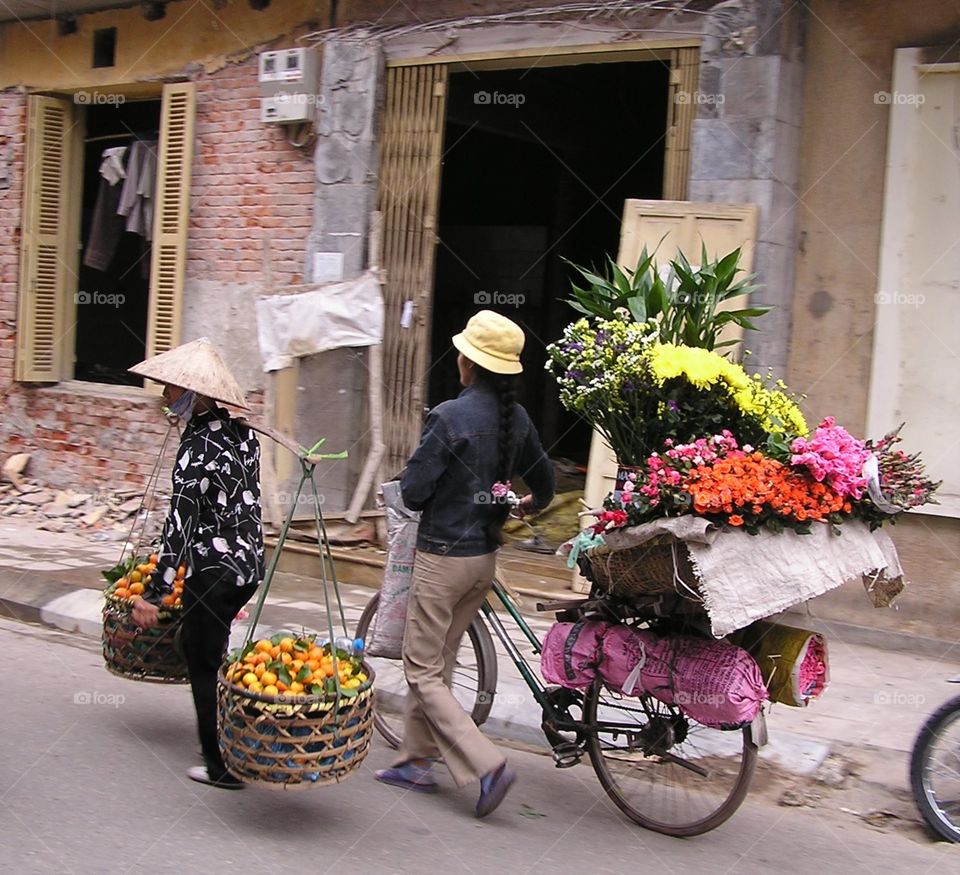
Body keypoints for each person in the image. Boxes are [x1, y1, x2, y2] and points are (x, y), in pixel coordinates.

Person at [375, 310, 555, 817]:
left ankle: (487, 765)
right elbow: (544, 485)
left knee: (421, 670)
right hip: (484, 561)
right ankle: (415, 760)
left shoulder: (450, 417)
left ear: (468, 362)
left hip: (442, 561)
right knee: (439, 662)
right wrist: (522, 505)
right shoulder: (515, 419)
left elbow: (412, 492)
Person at [130, 337, 264, 790]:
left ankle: (219, 765)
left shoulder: (196, 447)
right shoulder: (243, 435)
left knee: (202, 660)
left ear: (193, 394)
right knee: (205, 644)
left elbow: (180, 523)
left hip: (214, 570)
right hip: (247, 566)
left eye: (170, 390)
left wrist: (155, 590)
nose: (166, 398)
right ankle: (227, 734)